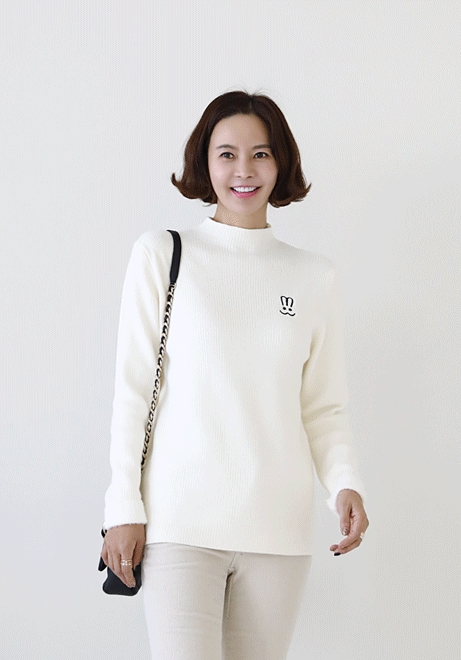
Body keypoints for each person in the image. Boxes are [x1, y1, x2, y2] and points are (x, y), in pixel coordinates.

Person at [101, 90, 369, 660]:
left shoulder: (313, 276)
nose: (244, 170)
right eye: (227, 154)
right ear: (205, 161)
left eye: (260, 154)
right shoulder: (162, 255)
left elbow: (323, 407)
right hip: (178, 526)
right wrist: (122, 508)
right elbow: (133, 392)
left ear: (281, 163)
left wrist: (345, 482)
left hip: (277, 532)